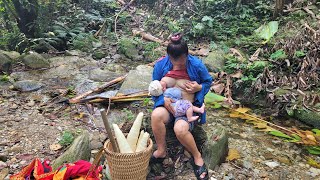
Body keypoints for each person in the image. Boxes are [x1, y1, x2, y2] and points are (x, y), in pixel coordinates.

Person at [150, 32, 213, 180]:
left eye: (182, 61)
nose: (178, 64)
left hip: (186, 109)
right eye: (175, 61)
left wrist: (198, 88)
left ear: (187, 54)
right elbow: (154, 88)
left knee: (180, 129)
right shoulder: (161, 65)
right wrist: (162, 100)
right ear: (168, 57)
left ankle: (197, 157)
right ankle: (161, 151)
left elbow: (207, 82)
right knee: (156, 115)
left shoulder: (196, 65)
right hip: (168, 107)